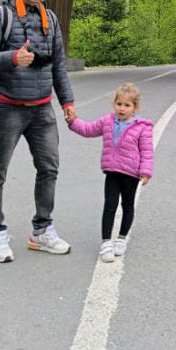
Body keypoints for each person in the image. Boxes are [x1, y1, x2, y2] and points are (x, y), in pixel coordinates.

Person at [0, 0, 75, 263]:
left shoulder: (51, 18)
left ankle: (42, 231)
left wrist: (67, 102)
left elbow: (58, 64)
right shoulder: (0, 15)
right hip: (7, 106)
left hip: (42, 108)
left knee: (49, 169)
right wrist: (12, 58)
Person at [64, 83, 154, 263]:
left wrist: (145, 172)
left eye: (127, 105)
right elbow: (88, 129)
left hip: (131, 173)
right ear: (114, 104)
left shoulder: (142, 127)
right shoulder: (107, 121)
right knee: (110, 205)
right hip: (112, 171)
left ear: (135, 107)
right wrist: (73, 121)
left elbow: (147, 151)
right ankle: (106, 242)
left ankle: (121, 238)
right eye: (119, 104)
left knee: (128, 205)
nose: (122, 108)